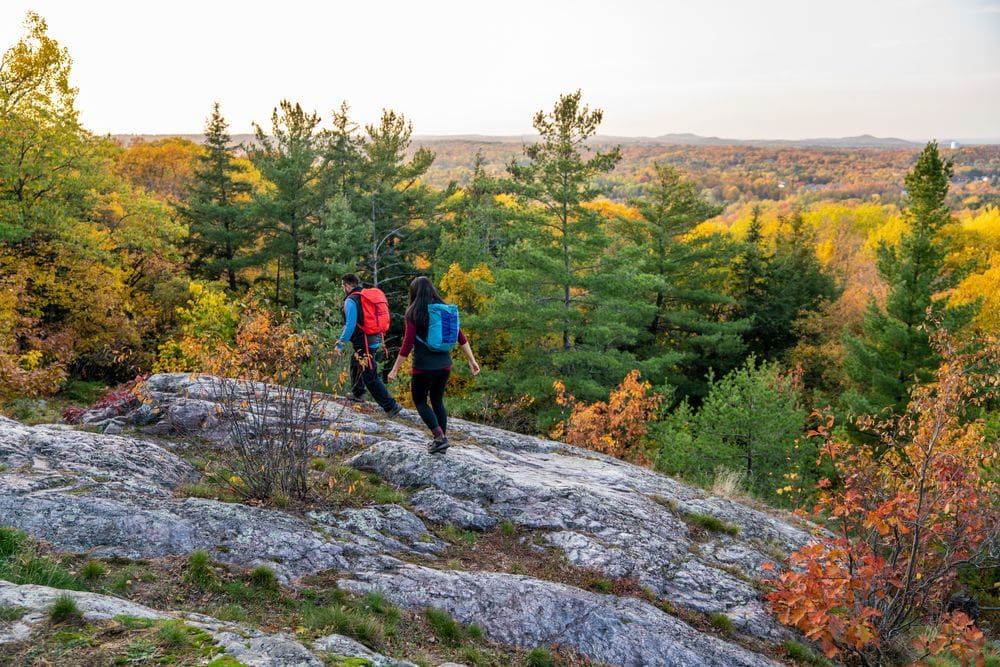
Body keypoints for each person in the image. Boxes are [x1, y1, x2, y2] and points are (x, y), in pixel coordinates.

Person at [387, 276, 479, 454]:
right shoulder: (443, 310)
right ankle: (441, 441)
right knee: (437, 400)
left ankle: (439, 437)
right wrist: (472, 360)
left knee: (420, 401)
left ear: (414, 292)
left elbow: (407, 344)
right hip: (444, 365)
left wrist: (395, 369)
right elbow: (460, 337)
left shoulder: (414, 313)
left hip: (423, 366)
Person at [334, 273, 402, 417]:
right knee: (355, 361)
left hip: (364, 341)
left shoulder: (351, 300)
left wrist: (340, 343)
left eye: (342, 286)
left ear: (346, 285)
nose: (343, 288)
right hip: (376, 339)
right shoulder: (365, 297)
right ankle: (358, 393)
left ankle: (391, 406)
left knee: (370, 376)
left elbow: (350, 325)